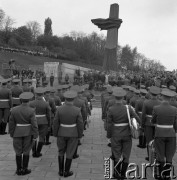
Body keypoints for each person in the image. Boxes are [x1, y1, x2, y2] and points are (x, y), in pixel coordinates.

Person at [107, 88, 140, 179]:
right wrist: (137, 125)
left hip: (116, 134)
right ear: (123, 98)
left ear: (115, 97)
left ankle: (116, 173)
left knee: (116, 154)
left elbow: (109, 124)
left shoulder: (111, 109)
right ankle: (123, 174)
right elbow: (137, 118)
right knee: (126, 154)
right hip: (127, 134)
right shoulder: (128, 108)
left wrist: (109, 136)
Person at [53, 90, 84, 177]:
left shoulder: (59, 109)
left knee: (61, 151)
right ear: (73, 99)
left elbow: (55, 123)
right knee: (70, 152)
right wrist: (79, 135)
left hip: (61, 133)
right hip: (73, 134)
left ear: (65, 99)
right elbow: (80, 124)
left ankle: (60, 171)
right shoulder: (77, 110)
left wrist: (55, 133)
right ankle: (66, 171)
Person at [9, 92, 38, 175]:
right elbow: (34, 124)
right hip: (28, 133)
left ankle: (18, 170)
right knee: (26, 151)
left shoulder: (14, 110)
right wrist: (35, 135)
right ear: (28, 100)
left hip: (17, 132)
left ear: (21, 100)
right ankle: (25, 169)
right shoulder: (31, 110)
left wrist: (12, 133)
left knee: (18, 151)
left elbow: (11, 123)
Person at [151, 90, 177, 179]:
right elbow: (176, 123)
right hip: (171, 134)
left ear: (162, 97)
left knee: (160, 155)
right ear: (170, 98)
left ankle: (161, 174)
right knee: (169, 156)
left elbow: (153, 120)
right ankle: (167, 175)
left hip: (160, 133)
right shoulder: (174, 109)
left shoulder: (156, 108)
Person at [29, 88, 51, 157]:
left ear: (35, 95)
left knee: (33, 137)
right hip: (43, 121)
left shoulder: (31, 103)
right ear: (43, 95)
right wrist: (49, 124)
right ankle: (38, 152)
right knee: (41, 137)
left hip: (34, 121)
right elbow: (48, 115)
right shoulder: (46, 103)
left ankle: (33, 152)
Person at [141, 86, 161, 161]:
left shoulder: (146, 102)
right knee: (157, 140)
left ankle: (150, 157)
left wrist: (142, 125)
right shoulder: (160, 102)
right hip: (157, 123)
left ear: (150, 93)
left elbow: (143, 115)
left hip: (148, 123)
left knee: (149, 141)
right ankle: (156, 156)